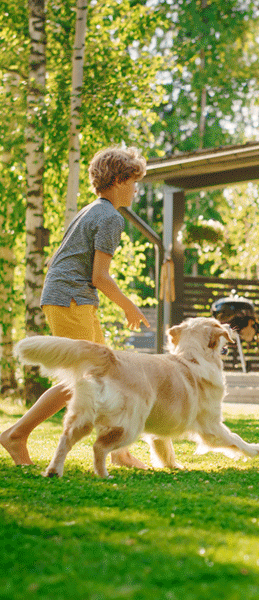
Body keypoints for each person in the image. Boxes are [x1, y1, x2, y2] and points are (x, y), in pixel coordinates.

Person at [1, 146, 151, 467]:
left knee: (103, 376)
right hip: (71, 300)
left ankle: (118, 449)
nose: (137, 189)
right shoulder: (110, 217)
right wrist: (129, 307)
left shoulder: (92, 210)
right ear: (120, 180)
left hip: (71, 298)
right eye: (134, 181)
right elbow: (100, 276)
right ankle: (16, 435)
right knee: (82, 380)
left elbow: (62, 260)